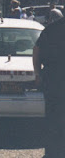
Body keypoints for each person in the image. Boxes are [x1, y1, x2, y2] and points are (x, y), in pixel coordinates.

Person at [33, 16, 65, 156]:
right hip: (55, 78)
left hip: (52, 79)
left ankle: (53, 152)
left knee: (53, 117)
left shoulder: (50, 29)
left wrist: (38, 73)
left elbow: (36, 51)